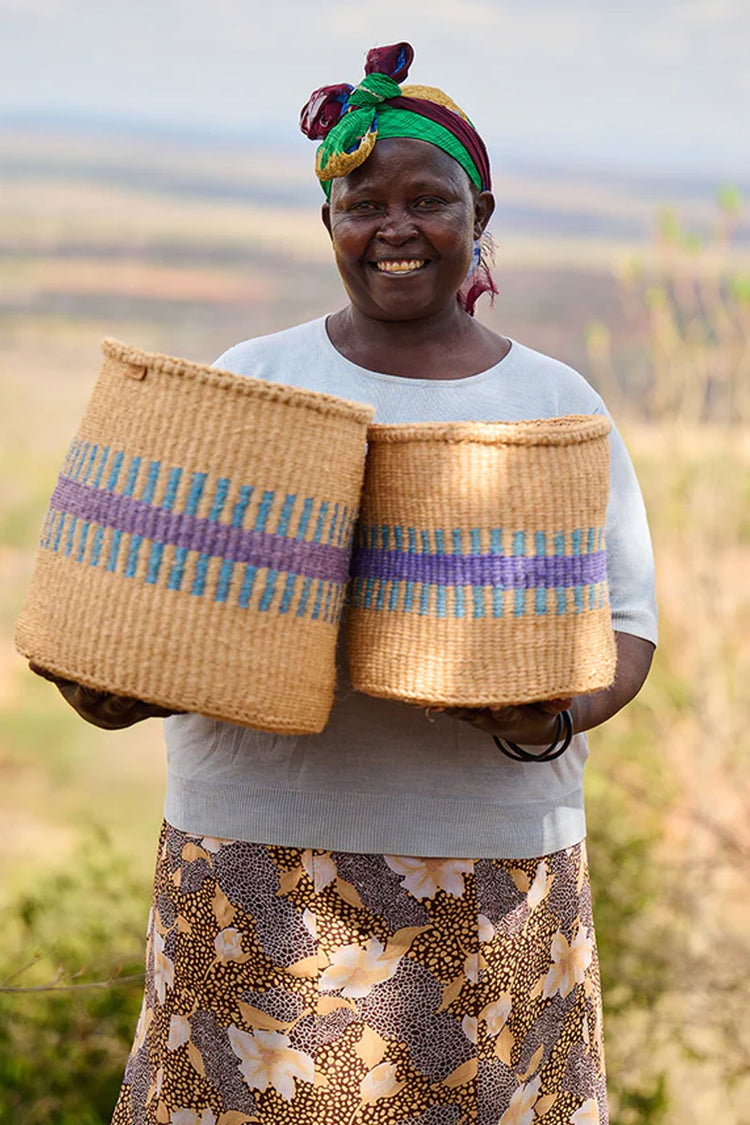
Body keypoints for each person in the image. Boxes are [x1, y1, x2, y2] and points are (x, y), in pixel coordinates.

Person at [38, 42, 656, 1125]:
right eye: (364, 203)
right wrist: (114, 680)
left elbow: (627, 630)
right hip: (255, 858)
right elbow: (176, 606)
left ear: (482, 210)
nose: (398, 227)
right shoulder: (253, 383)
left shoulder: (556, 404)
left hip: (493, 864)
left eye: (431, 198)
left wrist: (548, 714)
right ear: (327, 223)